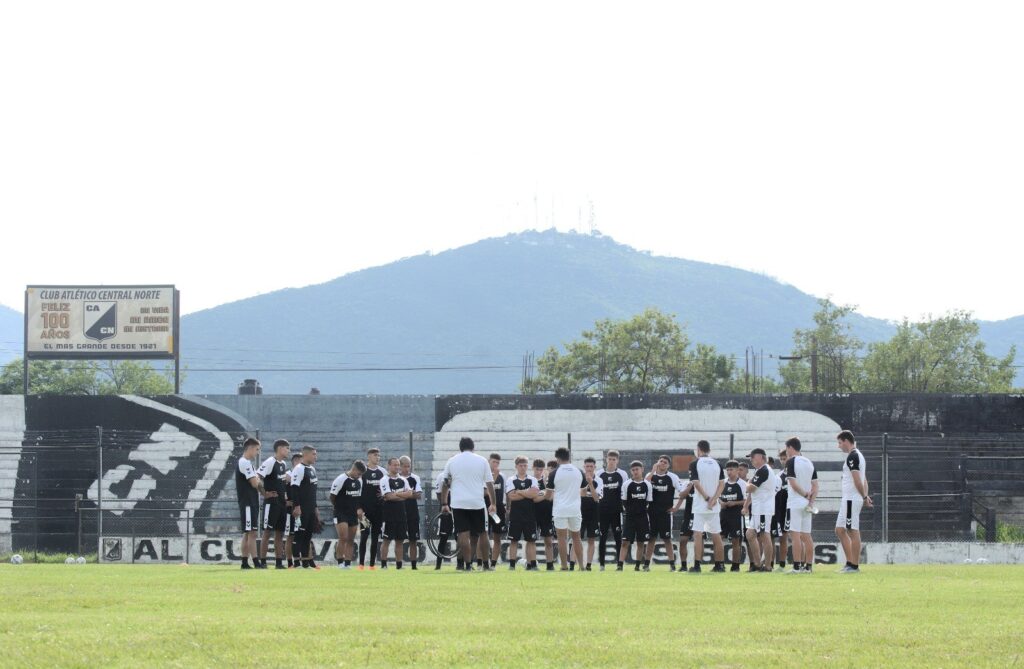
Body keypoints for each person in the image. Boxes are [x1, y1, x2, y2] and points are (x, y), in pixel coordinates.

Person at [439, 437, 497, 572]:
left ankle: (467, 565)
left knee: (462, 534)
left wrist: (444, 503)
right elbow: (489, 484)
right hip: (477, 502)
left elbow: (445, 483)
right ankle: (486, 565)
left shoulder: (452, 461)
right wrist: (493, 503)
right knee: (483, 533)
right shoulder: (482, 460)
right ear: (473, 447)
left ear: (460, 447)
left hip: (458, 502)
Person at [548, 447, 599, 571]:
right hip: (575, 509)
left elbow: (548, 496)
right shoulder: (579, 471)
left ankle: (564, 566)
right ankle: (581, 566)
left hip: (560, 509)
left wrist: (541, 494)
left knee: (562, 538)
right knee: (577, 538)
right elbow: (582, 492)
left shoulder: (554, 473)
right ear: (569, 457)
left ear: (557, 458)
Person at [835, 430, 871, 573]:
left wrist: (863, 497)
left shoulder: (853, 456)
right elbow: (864, 480)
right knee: (839, 530)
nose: (839, 446)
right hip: (849, 499)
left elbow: (857, 479)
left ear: (846, 441)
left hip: (851, 499)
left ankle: (854, 566)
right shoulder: (858, 456)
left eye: (839, 443)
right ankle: (849, 562)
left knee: (852, 530)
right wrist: (865, 495)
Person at [688, 440, 726, 573]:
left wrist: (706, 498)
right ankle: (720, 565)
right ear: (709, 449)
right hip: (714, 506)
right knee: (716, 534)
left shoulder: (695, 463)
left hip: (700, 505)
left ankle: (697, 565)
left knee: (698, 534)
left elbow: (696, 483)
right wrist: (714, 499)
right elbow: (722, 484)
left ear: (699, 449)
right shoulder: (717, 463)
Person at [784, 437, 819, 574]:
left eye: (786, 449)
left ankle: (797, 566)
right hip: (806, 504)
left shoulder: (791, 461)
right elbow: (816, 485)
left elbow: (792, 483)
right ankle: (808, 567)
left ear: (790, 448)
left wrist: (805, 494)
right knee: (807, 535)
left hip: (795, 502)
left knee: (796, 535)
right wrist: (810, 501)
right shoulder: (809, 462)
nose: (786, 452)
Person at [257, 439, 291, 569]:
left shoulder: (283, 463)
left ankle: (278, 562)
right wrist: (264, 493)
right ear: (281, 448)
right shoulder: (270, 462)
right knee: (267, 532)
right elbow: (258, 476)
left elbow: (282, 483)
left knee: (279, 533)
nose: (288, 451)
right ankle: (263, 562)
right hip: (271, 503)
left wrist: (286, 498)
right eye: (287, 448)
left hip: (281, 503)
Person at [646, 455, 683, 571]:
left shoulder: (672, 477)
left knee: (667, 539)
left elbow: (682, 492)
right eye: (661, 461)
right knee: (651, 538)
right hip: (651, 513)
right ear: (657, 462)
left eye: (665, 462)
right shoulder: (650, 476)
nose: (662, 463)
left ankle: (672, 565)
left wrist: (676, 507)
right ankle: (646, 564)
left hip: (665, 513)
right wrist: (652, 471)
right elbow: (644, 485)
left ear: (668, 465)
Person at [329, 459, 365, 569]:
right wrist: (339, 507)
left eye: (361, 475)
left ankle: (348, 563)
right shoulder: (341, 479)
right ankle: (340, 562)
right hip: (341, 513)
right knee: (343, 538)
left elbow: (358, 497)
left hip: (353, 513)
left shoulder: (360, 480)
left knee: (351, 539)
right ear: (353, 469)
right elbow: (332, 496)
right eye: (358, 473)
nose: (359, 476)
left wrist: (359, 509)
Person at [505, 456, 540, 570]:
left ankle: (533, 565)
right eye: (521, 465)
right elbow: (511, 497)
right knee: (514, 540)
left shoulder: (532, 479)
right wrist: (527, 493)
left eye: (525, 465)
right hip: (516, 515)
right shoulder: (511, 480)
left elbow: (534, 495)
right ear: (516, 466)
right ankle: (512, 566)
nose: (523, 467)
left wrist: (519, 491)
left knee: (531, 541)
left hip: (530, 514)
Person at [744, 448, 776, 572]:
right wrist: (746, 505)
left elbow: (750, 489)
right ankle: (757, 564)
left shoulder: (764, 470)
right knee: (750, 534)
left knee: (764, 534)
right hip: (758, 509)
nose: (751, 459)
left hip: (763, 508)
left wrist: (747, 483)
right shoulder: (760, 470)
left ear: (761, 457)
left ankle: (767, 566)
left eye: (753, 456)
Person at [596, 450, 629, 571]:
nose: (611, 461)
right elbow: (596, 492)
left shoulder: (622, 474)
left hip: (616, 511)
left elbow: (625, 491)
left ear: (617, 461)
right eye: (609, 459)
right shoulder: (599, 474)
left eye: (614, 459)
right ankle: (602, 565)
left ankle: (619, 565)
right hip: (602, 511)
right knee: (602, 537)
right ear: (606, 460)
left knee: (618, 537)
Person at [289, 445, 321, 570]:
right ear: (306, 455)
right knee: (299, 535)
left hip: (310, 508)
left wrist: (315, 508)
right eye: (313, 454)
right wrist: (297, 507)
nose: (315, 457)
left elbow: (313, 491)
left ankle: (306, 562)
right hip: (301, 508)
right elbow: (295, 489)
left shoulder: (312, 469)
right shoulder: (299, 469)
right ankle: (296, 563)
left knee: (307, 535)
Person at [617, 460, 652, 571]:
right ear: (631, 471)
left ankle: (637, 565)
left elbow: (648, 501)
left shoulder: (647, 484)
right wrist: (630, 511)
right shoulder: (627, 484)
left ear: (642, 470)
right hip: (630, 518)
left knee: (641, 542)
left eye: (637, 469)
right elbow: (624, 501)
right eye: (633, 470)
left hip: (642, 518)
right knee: (625, 542)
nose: (635, 471)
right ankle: (620, 566)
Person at [379, 457, 414, 569]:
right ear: (389, 466)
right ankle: (383, 565)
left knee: (400, 540)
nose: (397, 467)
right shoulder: (384, 479)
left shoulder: (403, 480)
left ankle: (399, 565)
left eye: (398, 465)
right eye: (394, 465)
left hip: (401, 514)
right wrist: (402, 495)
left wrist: (397, 495)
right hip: (389, 514)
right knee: (387, 540)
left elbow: (410, 494)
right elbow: (388, 497)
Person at [358, 447, 388, 570]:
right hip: (365, 512)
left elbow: (386, 489)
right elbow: (358, 490)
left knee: (375, 537)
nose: (377, 457)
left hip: (378, 511)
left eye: (379, 455)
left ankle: (372, 564)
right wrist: (359, 508)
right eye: (375, 455)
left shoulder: (382, 472)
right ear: (369, 456)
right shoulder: (363, 472)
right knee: (364, 536)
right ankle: (361, 564)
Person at [235, 437, 261, 570]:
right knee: (252, 533)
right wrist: (256, 479)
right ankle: (256, 562)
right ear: (250, 448)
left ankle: (245, 562)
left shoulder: (246, 463)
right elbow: (255, 483)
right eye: (256, 449)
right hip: (248, 502)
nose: (257, 452)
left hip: (250, 502)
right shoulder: (244, 462)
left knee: (247, 533)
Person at [720, 460, 746, 572]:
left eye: (731, 469)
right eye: (728, 470)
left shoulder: (742, 484)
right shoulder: (723, 482)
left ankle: (735, 566)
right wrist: (721, 503)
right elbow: (717, 496)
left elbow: (747, 500)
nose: (729, 472)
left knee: (736, 540)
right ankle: (719, 564)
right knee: (719, 538)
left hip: (736, 515)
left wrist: (734, 503)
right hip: (724, 514)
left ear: (737, 470)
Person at [400, 456, 424, 570]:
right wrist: (410, 493)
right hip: (399, 510)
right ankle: (398, 564)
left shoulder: (415, 478)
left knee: (413, 540)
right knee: (398, 539)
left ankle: (414, 565)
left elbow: (418, 495)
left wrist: (403, 494)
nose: (407, 468)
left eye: (408, 466)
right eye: (405, 466)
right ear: (400, 466)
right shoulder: (396, 478)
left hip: (412, 511)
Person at [579, 457, 602, 571]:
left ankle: (588, 565)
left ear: (594, 467)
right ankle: (575, 564)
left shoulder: (599, 480)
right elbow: (581, 495)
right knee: (577, 538)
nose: (589, 468)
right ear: (584, 467)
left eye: (591, 466)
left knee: (591, 539)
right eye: (587, 466)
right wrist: (585, 483)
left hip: (593, 512)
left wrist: (591, 483)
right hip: (580, 511)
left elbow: (597, 498)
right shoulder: (579, 478)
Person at [532, 459, 556, 571]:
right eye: (537, 469)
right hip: (533, 514)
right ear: (533, 468)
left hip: (546, 515)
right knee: (531, 540)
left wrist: (543, 494)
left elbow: (551, 497)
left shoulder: (547, 482)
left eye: (541, 469)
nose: (539, 471)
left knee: (548, 541)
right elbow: (534, 499)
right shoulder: (530, 481)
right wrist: (544, 495)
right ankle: (531, 564)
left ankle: (550, 565)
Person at [433, 470, 458, 570]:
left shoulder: (459, 474)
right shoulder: (441, 476)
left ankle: (462, 563)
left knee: (460, 537)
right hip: (446, 508)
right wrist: (445, 504)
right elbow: (439, 493)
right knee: (443, 537)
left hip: (458, 507)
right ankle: (438, 565)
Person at [486, 453, 506, 569]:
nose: (495, 464)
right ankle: (481, 562)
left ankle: (493, 563)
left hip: (498, 509)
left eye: (498, 463)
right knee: (483, 535)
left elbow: (504, 493)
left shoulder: (502, 476)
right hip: (486, 507)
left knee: (497, 537)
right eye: (494, 462)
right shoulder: (484, 475)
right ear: (489, 461)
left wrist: (507, 507)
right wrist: (493, 477)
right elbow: (485, 491)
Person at [772, 448, 790, 570]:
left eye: (785, 458)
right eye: (781, 459)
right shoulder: (778, 476)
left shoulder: (796, 474)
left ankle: (804, 564)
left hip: (793, 508)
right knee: (782, 537)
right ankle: (781, 565)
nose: (783, 461)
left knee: (798, 536)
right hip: (781, 510)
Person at [285, 452, 302, 567]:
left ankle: (300, 561)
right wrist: (285, 500)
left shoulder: (304, 473)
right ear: (295, 461)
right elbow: (281, 489)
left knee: (300, 535)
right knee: (290, 536)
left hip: (301, 509)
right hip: (290, 510)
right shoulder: (287, 474)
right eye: (299, 460)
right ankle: (290, 562)